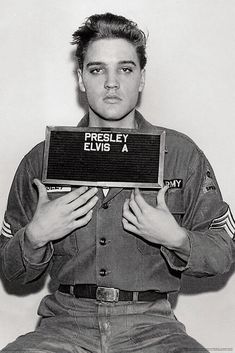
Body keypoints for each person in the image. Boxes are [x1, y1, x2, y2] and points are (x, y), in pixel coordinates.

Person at [0, 12, 234, 353]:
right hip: (64, 326)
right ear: (81, 79)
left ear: (141, 78)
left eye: (125, 69)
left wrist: (177, 239)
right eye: (97, 70)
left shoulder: (181, 154)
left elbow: (224, 249)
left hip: (154, 329)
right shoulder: (44, 159)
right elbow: (11, 269)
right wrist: (34, 237)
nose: (112, 83)